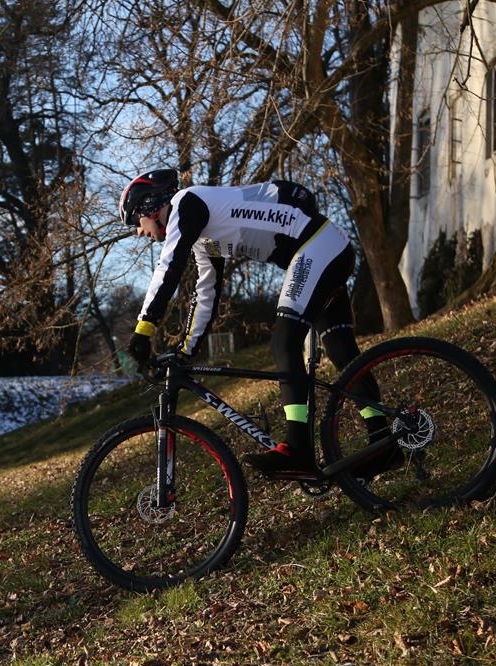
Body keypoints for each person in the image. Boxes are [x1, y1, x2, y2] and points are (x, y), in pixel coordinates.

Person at [119, 168, 393, 480]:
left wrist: (144, 329)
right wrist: (186, 351)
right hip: (326, 249)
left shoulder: (186, 202)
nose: (138, 233)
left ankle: (298, 449)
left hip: (318, 247)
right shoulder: (202, 238)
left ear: (149, 209)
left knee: (283, 342)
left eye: (134, 224)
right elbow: (206, 295)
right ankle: (383, 440)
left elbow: (169, 267)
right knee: (343, 353)